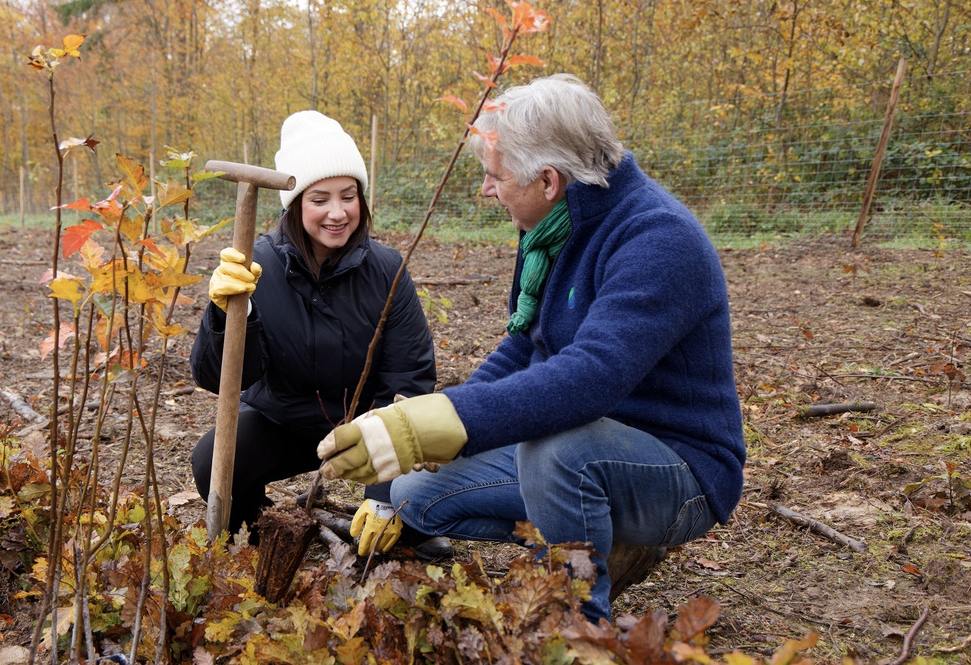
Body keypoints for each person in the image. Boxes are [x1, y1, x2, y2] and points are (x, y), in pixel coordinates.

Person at [316, 74, 746, 622]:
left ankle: (576, 625)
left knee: (557, 452)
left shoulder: (658, 240)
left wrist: (451, 418)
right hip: (584, 447)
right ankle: (593, 531)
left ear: (548, 179)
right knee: (415, 493)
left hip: (678, 468)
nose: (486, 190)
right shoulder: (550, 229)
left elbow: (591, 377)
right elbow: (525, 346)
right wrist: (427, 429)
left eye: (495, 176)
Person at [190, 110, 451, 559]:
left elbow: (408, 381)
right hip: (285, 424)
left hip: (371, 430)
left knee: (402, 522)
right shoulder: (257, 266)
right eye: (320, 199)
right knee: (211, 457)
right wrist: (230, 315)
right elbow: (219, 379)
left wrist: (384, 495)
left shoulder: (387, 270)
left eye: (348, 196)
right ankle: (264, 529)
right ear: (295, 205)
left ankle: (406, 528)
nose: (337, 212)